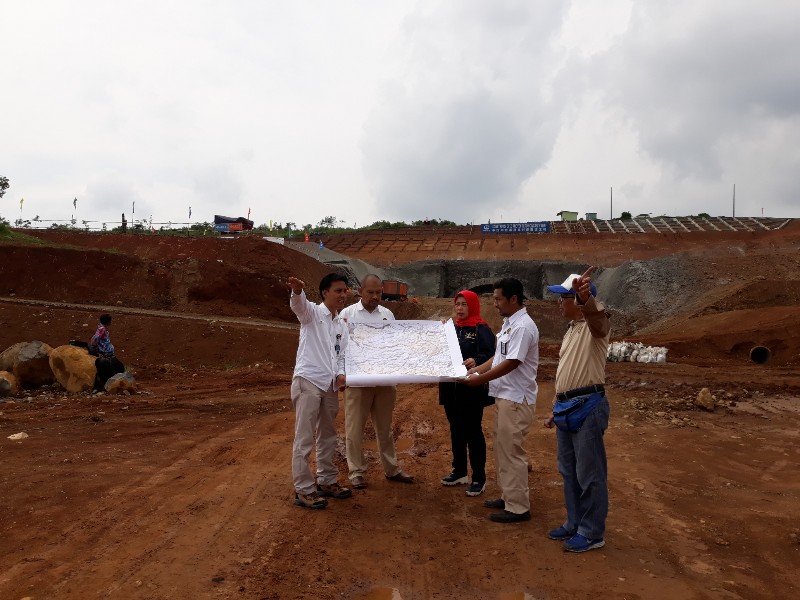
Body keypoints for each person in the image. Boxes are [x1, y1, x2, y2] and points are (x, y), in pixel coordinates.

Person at [542, 268, 611, 552]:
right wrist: (555, 408)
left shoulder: (597, 326)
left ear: (579, 300)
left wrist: (586, 302)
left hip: (588, 406)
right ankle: (575, 522)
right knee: (569, 471)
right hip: (567, 407)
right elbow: (568, 375)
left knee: (589, 473)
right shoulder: (571, 330)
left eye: (564, 298)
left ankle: (592, 531)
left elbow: (598, 320)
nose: (559, 303)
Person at [465, 278, 539, 523]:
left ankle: (518, 507)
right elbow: (498, 358)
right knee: (502, 449)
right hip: (505, 397)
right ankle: (509, 496)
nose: (494, 304)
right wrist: (476, 371)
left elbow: (512, 363)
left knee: (511, 452)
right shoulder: (510, 324)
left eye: (498, 299)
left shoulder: (523, 327)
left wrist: (480, 379)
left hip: (515, 400)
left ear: (513, 299)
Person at [339, 274, 414, 489]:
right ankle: (356, 472)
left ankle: (392, 468)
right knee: (354, 429)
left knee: (384, 428)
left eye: (378, 292)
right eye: (370, 292)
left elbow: (395, 345)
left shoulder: (388, 315)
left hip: (384, 382)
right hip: (357, 382)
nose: (374, 296)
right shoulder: (347, 314)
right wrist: (341, 374)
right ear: (360, 291)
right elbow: (340, 348)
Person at [287, 273, 352, 510]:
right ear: (325, 293)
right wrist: (297, 291)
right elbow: (299, 306)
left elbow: (341, 355)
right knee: (304, 438)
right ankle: (304, 489)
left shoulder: (340, 325)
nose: (343, 295)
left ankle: (326, 480)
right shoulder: (312, 313)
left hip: (329, 385)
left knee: (327, 436)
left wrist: (341, 374)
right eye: (338, 291)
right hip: (309, 381)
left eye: (345, 291)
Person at [439, 290, 495, 496]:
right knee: (456, 430)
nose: (460, 308)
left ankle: (478, 477)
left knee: (473, 431)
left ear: (473, 306)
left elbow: (491, 355)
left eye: (464, 304)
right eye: (457, 304)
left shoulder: (481, 328)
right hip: (450, 388)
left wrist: (476, 361)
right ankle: (459, 471)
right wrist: (438, 333)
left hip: (471, 388)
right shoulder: (450, 328)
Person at [88, 314, 125, 389]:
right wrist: (94, 347)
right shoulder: (102, 329)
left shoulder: (102, 328)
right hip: (105, 352)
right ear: (108, 322)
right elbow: (95, 339)